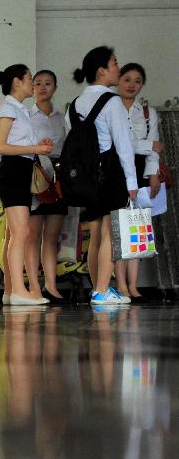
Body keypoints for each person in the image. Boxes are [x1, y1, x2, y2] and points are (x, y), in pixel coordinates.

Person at [65, 46, 138, 306]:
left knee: (95, 235)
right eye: (115, 63)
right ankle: (103, 289)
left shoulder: (74, 105)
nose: (119, 68)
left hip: (86, 176)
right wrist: (131, 182)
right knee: (109, 233)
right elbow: (123, 145)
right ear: (102, 71)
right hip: (109, 171)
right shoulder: (112, 101)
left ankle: (99, 287)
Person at [0, 63, 54, 306]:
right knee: (22, 232)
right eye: (30, 78)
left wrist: (39, 147)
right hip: (13, 170)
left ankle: (10, 289)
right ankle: (19, 289)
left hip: (20, 169)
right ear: (17, 81)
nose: (34, 83)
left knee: (13, 234)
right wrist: (36, 148)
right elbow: (0, 146)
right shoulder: (8, 108)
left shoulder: (19, 109)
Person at [114, 63, 162, 303]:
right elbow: (117, 144)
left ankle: (133, 285)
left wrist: (154, 173)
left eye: (137, 81)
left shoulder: (147, 112)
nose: (132, 85)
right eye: (127, 79)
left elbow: (155, 146)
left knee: (138, 228)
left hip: (141, 169)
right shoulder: (111, 108)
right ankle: (120, 284)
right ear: (118, 80)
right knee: (118, 228)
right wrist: (147, 146)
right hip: (116, 169)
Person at [28, 70, 69, 304]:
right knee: (32, 235)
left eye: (48, 83)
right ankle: (34, 286)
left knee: (52, 236)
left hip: (58, 177)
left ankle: (51, 286)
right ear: (32, 88)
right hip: (35, 177)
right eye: (38, 84)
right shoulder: (26, 116)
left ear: (55, 87)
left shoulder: (62, 118)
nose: (43, 87)